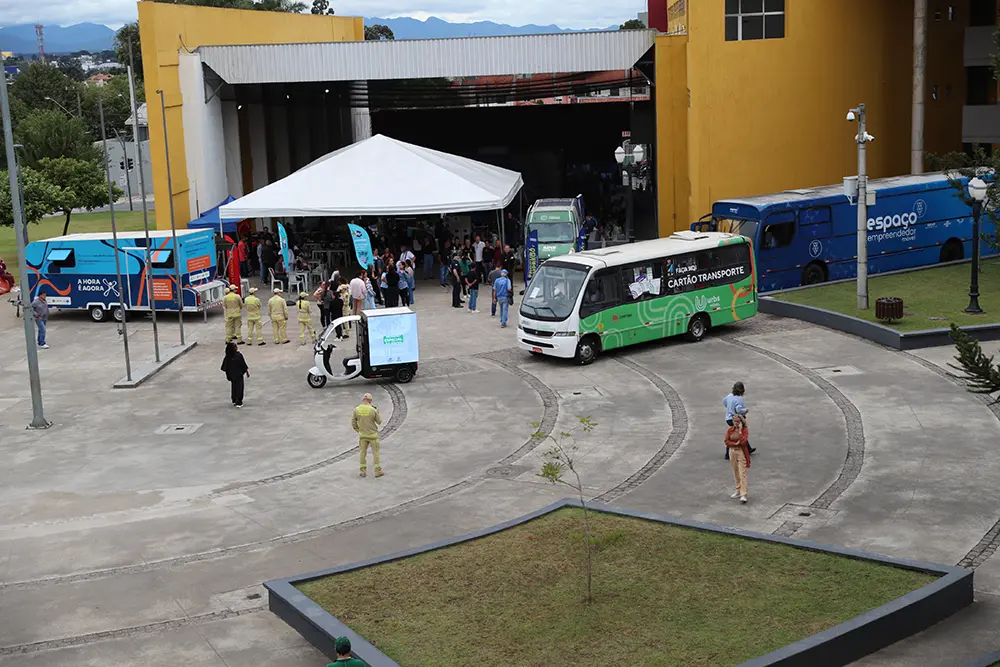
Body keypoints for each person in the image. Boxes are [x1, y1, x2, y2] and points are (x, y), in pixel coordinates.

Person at [352, 392, 383, 478]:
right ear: (370, 401)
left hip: (363, 436)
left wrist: (359, 430)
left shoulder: (357, 409)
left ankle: (363, 471)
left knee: (362, 453)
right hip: (373, 435)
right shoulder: (373, 410)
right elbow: (379, 422)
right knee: (375, 453)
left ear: (363, 400)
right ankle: (378, 471)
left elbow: (353, 423)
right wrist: (377, 412)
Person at [722, 381, 756, 459]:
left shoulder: (729, 395)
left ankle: (748, 448)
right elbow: (738, 409)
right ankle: (728, 454)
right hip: (736, 419)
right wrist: (745, 410)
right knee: (737, 434)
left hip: (728, 418)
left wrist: (729, 407)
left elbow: (724, 401)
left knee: (737, 433)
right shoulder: (739, 399)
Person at [725, 414, 751, 504]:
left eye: (737, 421)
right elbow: (726, 441)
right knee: (735, 471)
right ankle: (738, 490)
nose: (735, 423)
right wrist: (735, 444)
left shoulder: (744, 430)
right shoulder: (730, 430)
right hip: (732, 451)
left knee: (742, 473)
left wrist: (740, 432)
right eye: (734, 421)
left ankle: (744, 494)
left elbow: (744, 442)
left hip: (741, 452)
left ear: (741, 422)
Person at [221, 342, 250, 408]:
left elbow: (224, 367)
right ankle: (239, 401)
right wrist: (246, 372)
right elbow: (243, 364)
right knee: (239, 387)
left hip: (232, 375)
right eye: (235, 347)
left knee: (234, 387)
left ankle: (234, 400)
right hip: (239, 375)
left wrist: (228, 375)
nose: (237, 348)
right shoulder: (238, 355)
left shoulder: (227, 357)